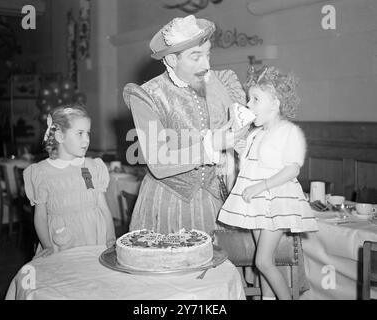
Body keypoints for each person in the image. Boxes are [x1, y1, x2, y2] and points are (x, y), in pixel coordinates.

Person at [122, 15, 248, 234]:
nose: (206, 65)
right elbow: (158, 162)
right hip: (168, 204)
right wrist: (211, 145)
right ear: (171, 60)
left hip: (211, 201)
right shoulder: (148, 96)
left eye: (208, 54)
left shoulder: (219, 82)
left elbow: (239, 130)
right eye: (195, 56)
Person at [218, 66, 318, 300]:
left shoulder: (289, 131)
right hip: (255, 204)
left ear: (276, 102)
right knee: (263, 262)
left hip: (276, 201)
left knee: (262, 261)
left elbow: (292, 169)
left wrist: (260, 187)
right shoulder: (255, 133)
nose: (249, 105)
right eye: (248, 99)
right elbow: (248, 165)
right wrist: (237, 145)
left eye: (255, 99)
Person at [23, 104, 116, 258]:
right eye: (80, 133)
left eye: (88, 133)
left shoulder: (93, 167)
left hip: (94, 239)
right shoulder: (41, 173)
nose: (86, 140)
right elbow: (40, 216)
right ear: (60, 136)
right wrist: (47, 245)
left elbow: (103, 208)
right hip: (62, 244)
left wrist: (111, 237)